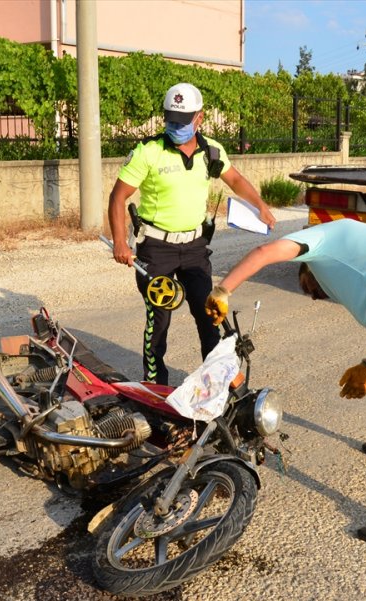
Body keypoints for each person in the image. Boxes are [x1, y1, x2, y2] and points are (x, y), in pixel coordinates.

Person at [205, 219, 366, 545]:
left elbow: (265, 251)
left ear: (306, 268)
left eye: (305, 287)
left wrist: (224, 288)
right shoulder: (358, 252)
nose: (312, 296)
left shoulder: (320, 240)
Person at [108, 82, 276, 385]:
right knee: (158, 322)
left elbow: (235, 180)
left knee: (209, 314)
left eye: (182, 121)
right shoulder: (148, 151)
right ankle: (155, 385)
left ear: (199, 118)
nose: (175, 127)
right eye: (170, 119)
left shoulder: (211, 151)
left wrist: (260, 205)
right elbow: (118, 196)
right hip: (155, 249)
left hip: (195, 248)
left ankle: (214, 380)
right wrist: (120, 241)